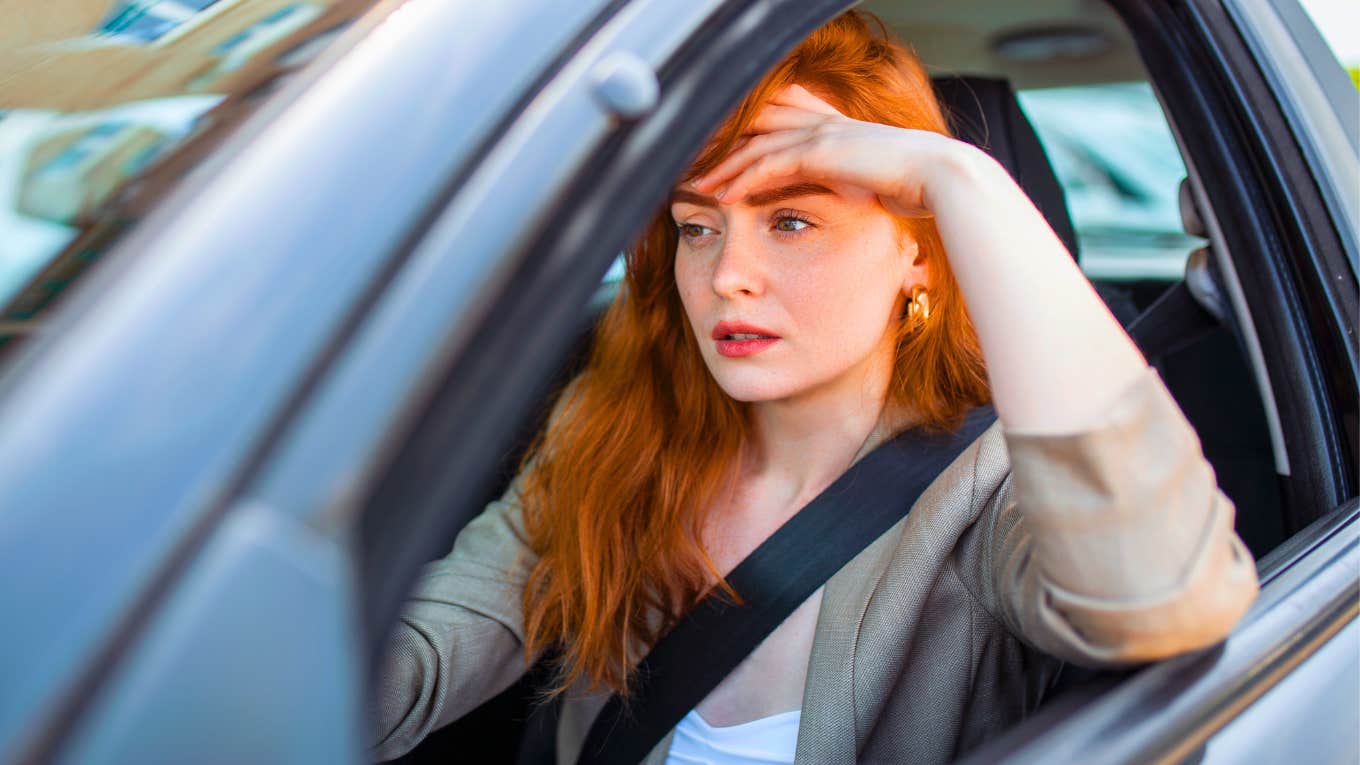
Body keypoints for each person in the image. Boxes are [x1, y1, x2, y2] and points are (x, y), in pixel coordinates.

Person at [371, 10, 1259, 764]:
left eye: (792, 218)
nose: (728, 277)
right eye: (696, 226)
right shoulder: (613, 434)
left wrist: (962, 178)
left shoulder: (986, 493)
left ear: (917, 250)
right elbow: (402, 673)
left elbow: (1163, 598)